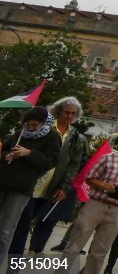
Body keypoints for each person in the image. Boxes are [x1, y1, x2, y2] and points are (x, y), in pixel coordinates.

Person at [9, 96, 89, 256]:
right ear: (59, 111)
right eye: (67, 112)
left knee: (41, 220)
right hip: (33, 181)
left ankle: (29, 251)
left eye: (73, 114)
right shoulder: (44, 128)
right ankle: (14, 256)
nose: (70, 117)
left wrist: (64, 187)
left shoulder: (76, 137)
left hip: (52, 185)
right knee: (23, 222)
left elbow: (74, 164)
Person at [61, 134, 118, 274]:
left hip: (117, 210)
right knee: (75, 245)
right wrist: (105, 186)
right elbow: (90, 178)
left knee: (100, 252)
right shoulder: (107, 158)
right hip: (96, 204)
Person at [0, 106, 62, 263]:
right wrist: (8, 155)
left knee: (6, 230)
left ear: (43, 123)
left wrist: (29, 153)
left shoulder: (52, 137)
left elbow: (51, 162)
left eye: (35, 125)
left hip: (22, 187)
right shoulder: (19, 134)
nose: (30, 128)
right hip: (4, 181)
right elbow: (4, 150)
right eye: (28, 124)